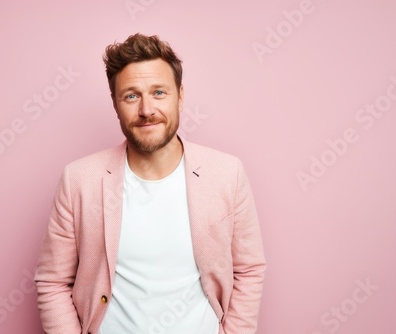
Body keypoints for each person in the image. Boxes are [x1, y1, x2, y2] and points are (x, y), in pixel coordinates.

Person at [34, 33, 266, 334]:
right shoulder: (79, 180)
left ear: (180, 96)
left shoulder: (227, 173)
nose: (146, 110)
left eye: (159, 92)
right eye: (131, 95)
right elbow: (52, 281)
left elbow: (249, 270)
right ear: (116, 104)